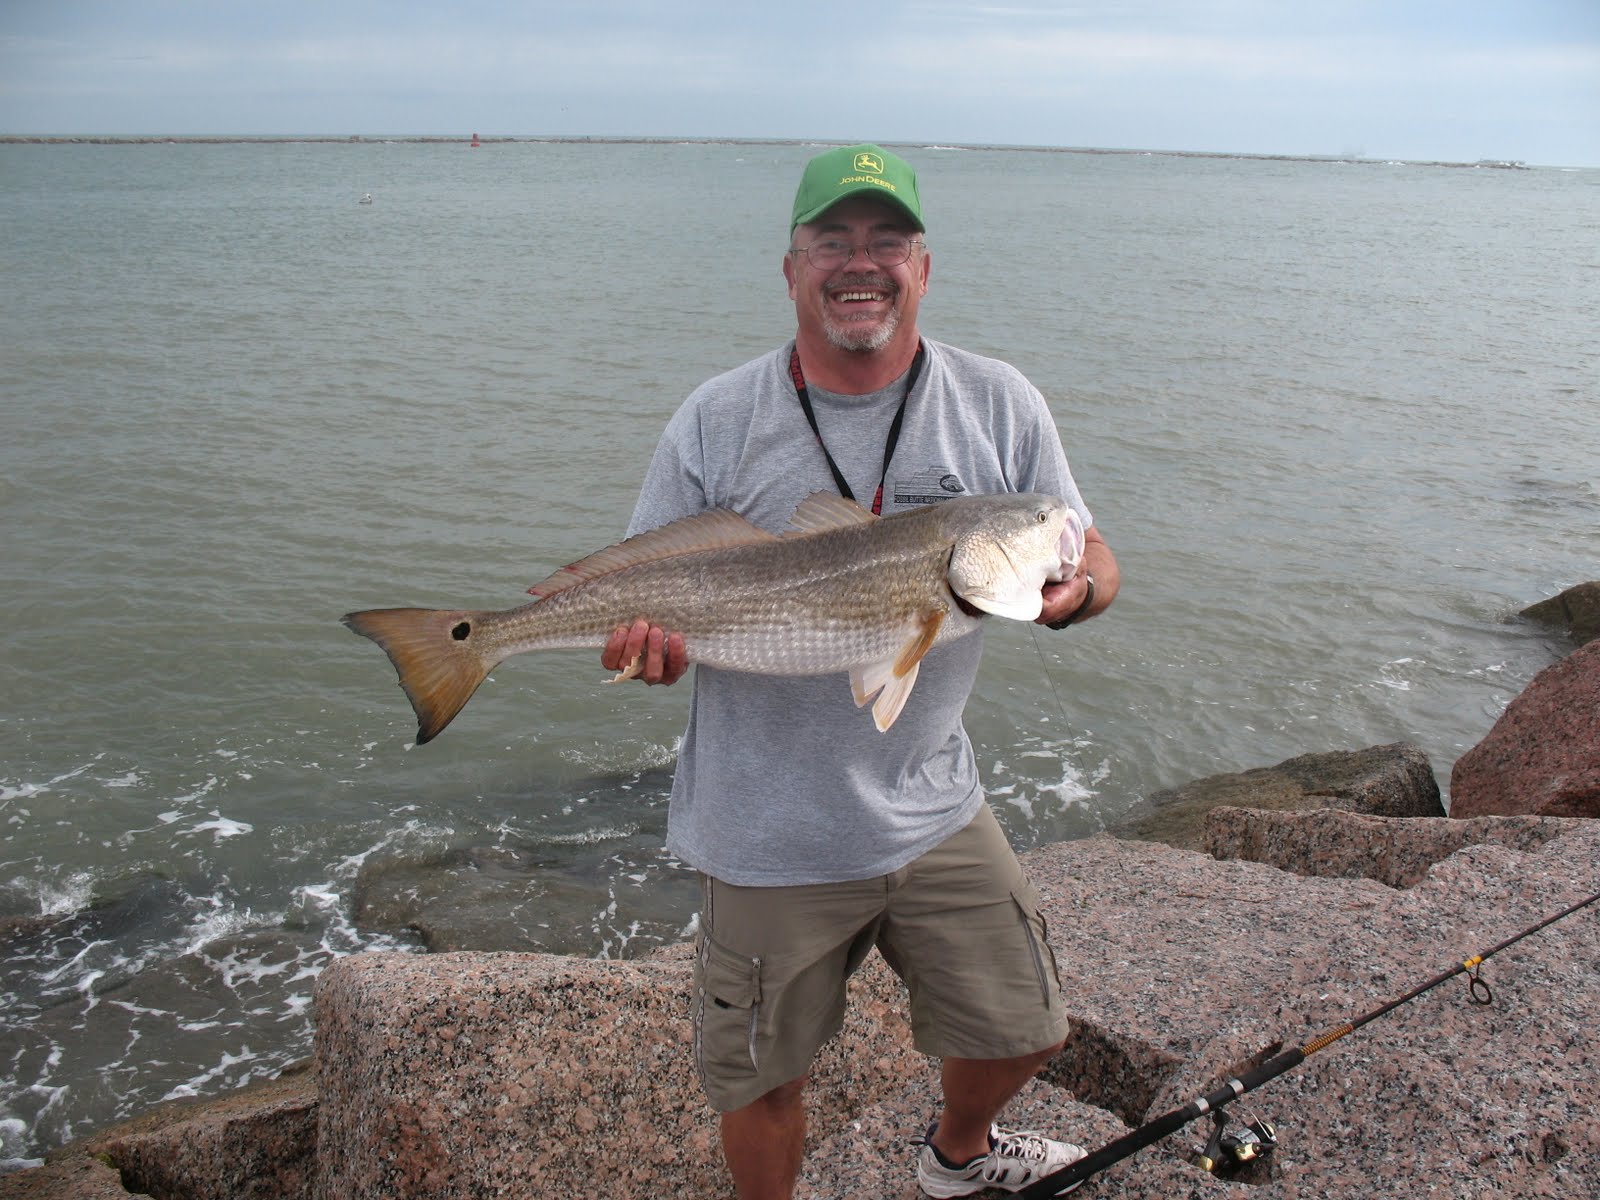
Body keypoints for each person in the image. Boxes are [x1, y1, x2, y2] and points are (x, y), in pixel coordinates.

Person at [600, 144, 1120, 1200]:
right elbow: (642, 584)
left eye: (887, 241)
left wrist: (1079, 590)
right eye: (831, 241)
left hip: (933, 808)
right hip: (764, 830)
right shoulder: (716, 418)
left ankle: (958, 1155)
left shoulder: (998, 401)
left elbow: (1088, 546)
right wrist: (644, 651)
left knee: (1027, 1025)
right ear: (790, 269)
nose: (860, 263)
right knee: (761, 1083)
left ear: (923, 267)